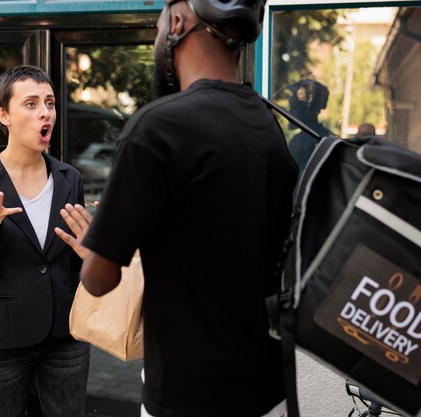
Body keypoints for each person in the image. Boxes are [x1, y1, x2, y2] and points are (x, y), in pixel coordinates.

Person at [58, 1, 298, 416]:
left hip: (188, 397)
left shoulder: (158, 127)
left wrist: (96, 247)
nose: (155, 38)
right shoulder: (267, 126)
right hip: (266, 392)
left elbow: (98, 280)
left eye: (156, 27)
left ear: (178, 22)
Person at [0, 64, 90, 417]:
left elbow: (78, 266)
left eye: (50, 103)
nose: (45, 112)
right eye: (31, 104)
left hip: (65, 342)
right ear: (3, 115)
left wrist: (89, 252)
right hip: (0, 347)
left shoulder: (70, 178)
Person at [286, 79, 331, 174]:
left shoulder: (302, 142)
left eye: (293, 108)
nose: (289, 112)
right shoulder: (323, 136)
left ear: (306, 110)